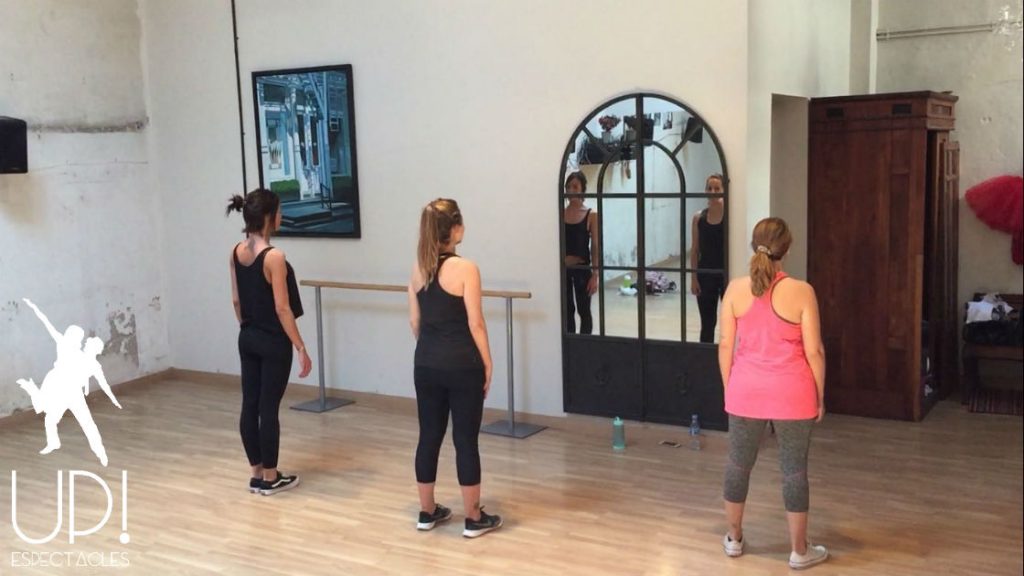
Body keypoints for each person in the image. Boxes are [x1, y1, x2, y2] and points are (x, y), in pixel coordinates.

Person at [717, 217, 828, 570]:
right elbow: (815, 351)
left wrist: (731, 388)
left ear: (754, 245)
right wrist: (819, 396)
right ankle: (799, 551)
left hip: (745, 390)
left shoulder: (735, 290)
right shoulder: (802, 291)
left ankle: (734, 539)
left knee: (738, 464)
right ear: (787, 249)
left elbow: (725, 344)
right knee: (794, 471)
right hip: (793, 393)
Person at [407, 198, 503, 538]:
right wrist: (487, 362)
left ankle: (427, 511)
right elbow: (476, 323)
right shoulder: (466, 268)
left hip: (426, 363)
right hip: (462, 364)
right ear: (455, 229)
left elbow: (415, 323)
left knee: (428, 436)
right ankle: (473, 517)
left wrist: (432, 349)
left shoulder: (418, 269)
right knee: (465, 439)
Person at [226, 188, 312, 496]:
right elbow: (282, 308)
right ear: (268, 217)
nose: (282, 216)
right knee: (268, 408)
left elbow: (236, 301)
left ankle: (257, 473)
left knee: (250, 405)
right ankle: (272, 477)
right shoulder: (274, 257)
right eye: (279, 211)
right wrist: (300, 346)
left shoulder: (236, 251)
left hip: (247, 337)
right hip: (273, 341)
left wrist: (247, 328)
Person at [691, 174, 726, 343]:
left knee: (729, 322)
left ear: (724, 190)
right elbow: (695, 250)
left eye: (717, 188)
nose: (713, 192)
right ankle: (705, 355)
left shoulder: (730, 216)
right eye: (709, 188)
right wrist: (694, 278)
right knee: (707, 322)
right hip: (705, 275)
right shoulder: (699, 218)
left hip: (726, 274)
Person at [563, 171, 599, 334]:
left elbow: (595, 246)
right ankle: (570, 344)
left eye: (575, 186)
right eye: (568, 187)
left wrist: (595, 275)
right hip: (564, 270)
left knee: (584, 311)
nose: (571, 190)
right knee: (567, 311)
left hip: (582, 270)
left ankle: (585, 345)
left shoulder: (591, 215)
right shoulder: (560, 213)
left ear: (582, 189)